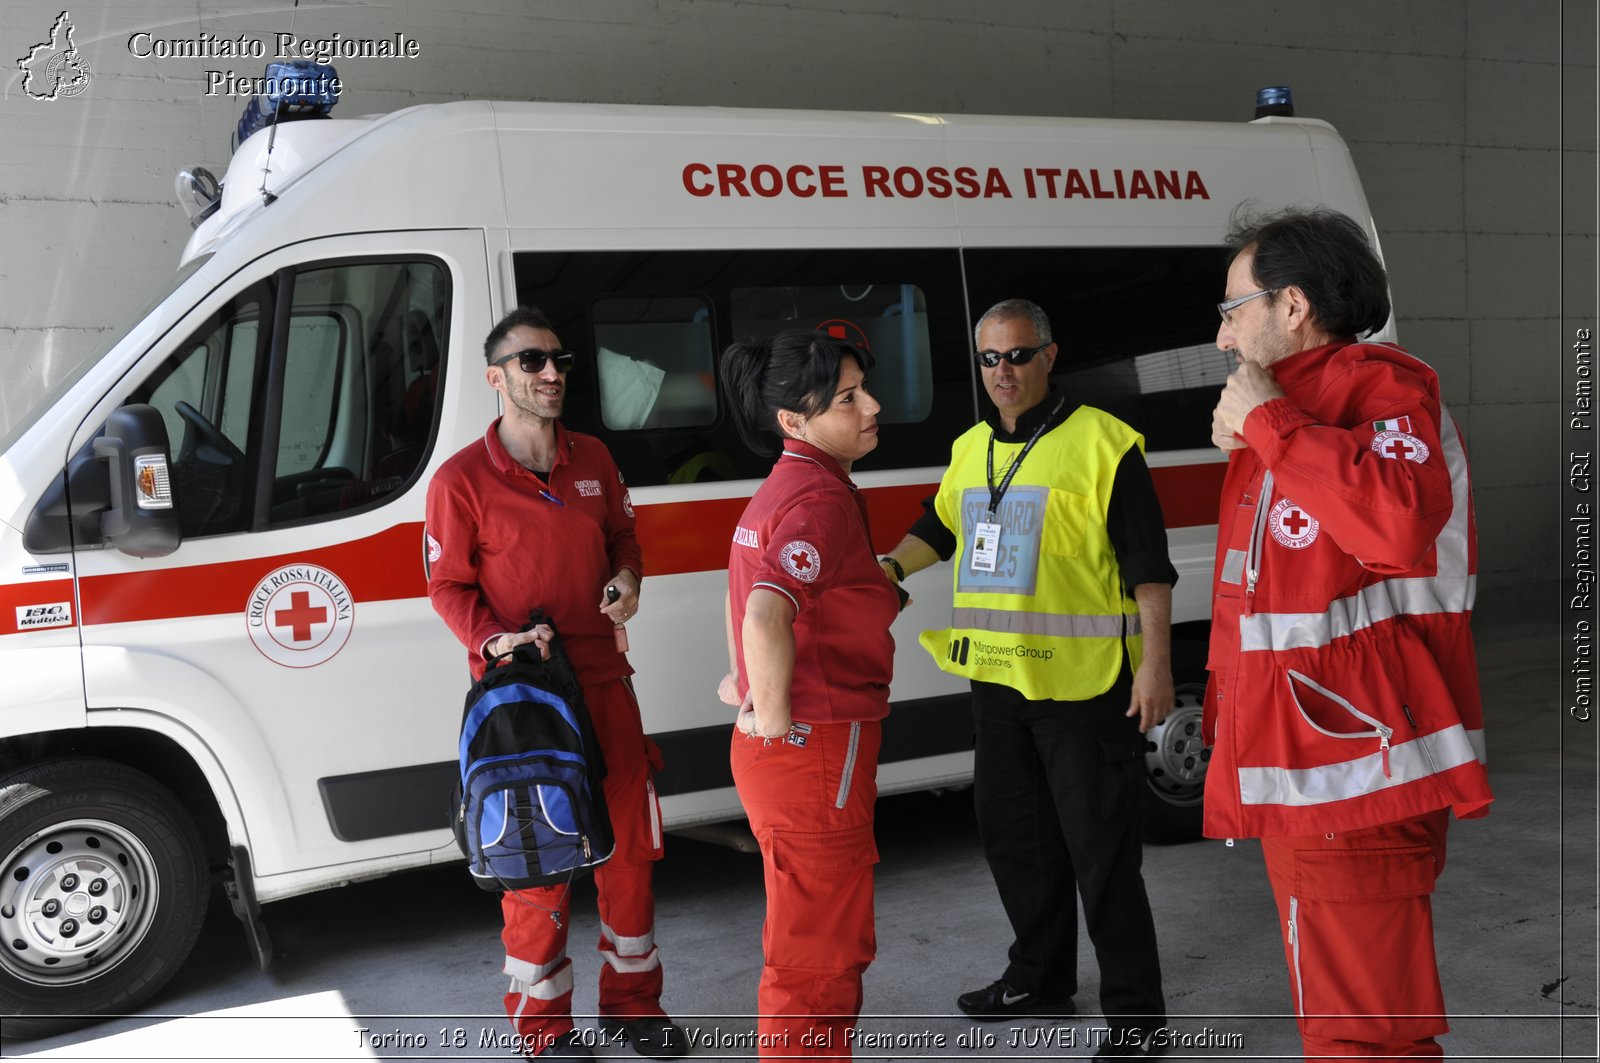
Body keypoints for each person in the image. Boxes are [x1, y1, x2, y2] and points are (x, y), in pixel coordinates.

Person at [1204, 207, 1493, 1060]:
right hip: (1311, 761)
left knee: (1362, 1037)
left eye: (1232, 309)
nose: (1222, 338)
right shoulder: (1291, 405)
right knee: (1343, 1024)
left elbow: (1397, 524)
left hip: (1352, 759)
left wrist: (1273, 428)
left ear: (1291, 305)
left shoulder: (1382, 385)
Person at [878, 299, 1173, 1059]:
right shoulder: (972, 446)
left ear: (1049, 355)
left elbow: (1147, 568)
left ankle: (1137, 1017)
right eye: (988, 359)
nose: (1001, 372)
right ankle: (1039, 975)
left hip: (1083, 689)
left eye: (1016, 355)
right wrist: (888, 569)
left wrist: (1157, 667)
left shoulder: (1105, 446)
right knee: (1015, 841)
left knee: (1101, 852)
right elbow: (939, 525)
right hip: (1000, 684)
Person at [425, 307, 685, 1060]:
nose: (550, 374)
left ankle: (635, 1006)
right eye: (532, 361)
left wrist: (628, 577)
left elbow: (623, 537)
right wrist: (494, 639)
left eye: (558, 361)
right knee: (535, 863)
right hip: (524, 703)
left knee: (629, 854)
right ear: (496, 377)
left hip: (606, 687)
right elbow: (446, 586)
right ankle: (544, 1030)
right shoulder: (461, 480)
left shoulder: (594, 459)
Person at [716, 331, 899, 1059]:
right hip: (816, 747)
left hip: (801, 753)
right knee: (820, 955)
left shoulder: (791, 486)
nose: (872, 406)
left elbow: (782, 606)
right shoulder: (817, 497)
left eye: (863, 388)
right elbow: (766, 614)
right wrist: (778, 717)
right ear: (795, 420)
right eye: (848, 398)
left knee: (809, 938)